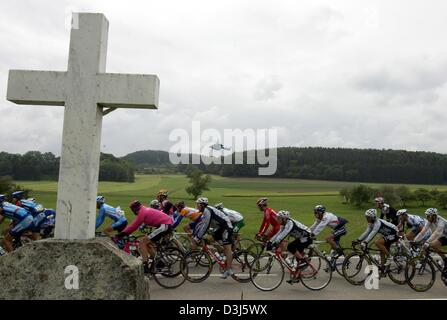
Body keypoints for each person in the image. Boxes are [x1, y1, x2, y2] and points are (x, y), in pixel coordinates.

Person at [117, 200, 173, 274]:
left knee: (142, 243)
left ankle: (145, 265)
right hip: (164, 225)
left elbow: (134, 226)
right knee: (147, 243)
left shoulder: (142, 212)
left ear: (134, 209)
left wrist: (122, 234)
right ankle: (159, 263)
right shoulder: (143, 209)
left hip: (164, 225)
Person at [192, 197, 234, 279]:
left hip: (226, 227)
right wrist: (197, 235)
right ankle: (221, 253)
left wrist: (198, 237)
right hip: (221, 227)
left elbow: (205, 226)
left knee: (227, 248)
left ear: (202, 205)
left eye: (197, 204)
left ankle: (228, 270)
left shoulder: (207, 210)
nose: (196, 206)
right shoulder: (205, 211)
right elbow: (202, 225)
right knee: (207, 239)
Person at [266, 210, 313, 283]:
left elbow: (283, 235)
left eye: (279, 218)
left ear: (284, 219)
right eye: (277, 218)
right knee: (297, 255)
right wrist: (270, 241)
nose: (277, 219)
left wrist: (274, 243)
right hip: (301, 238)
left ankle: (304, 261)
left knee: (291, 247)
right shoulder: (284, 224)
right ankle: (297, 275)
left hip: (307, 237)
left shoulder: (290, 224)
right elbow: (278, 233)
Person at [353, 208, 399, 274]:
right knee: (381, 251)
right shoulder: (371, 223)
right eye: (366, 217)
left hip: (394, 233)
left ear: (373, 217)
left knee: (377, 243)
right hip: (387, 235)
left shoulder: (377, 223)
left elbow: (372, 234)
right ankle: (382, 269)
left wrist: (365, 242)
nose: (367, 219)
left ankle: (390, 257)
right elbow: (367, 232)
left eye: (368, 217)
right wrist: (358, 240)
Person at [414, 208, 447, 274]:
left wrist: (427, 242)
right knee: (433, 246)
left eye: (428, 216)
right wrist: (415, 240)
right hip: (444, 236)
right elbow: (423, 231)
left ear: (434, 216)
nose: (427, 218)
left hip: (443, 235)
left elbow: (436, 233)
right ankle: (445, 259)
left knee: (431, 244)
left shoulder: (441, 222)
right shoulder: (430, 221)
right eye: (427, 216)